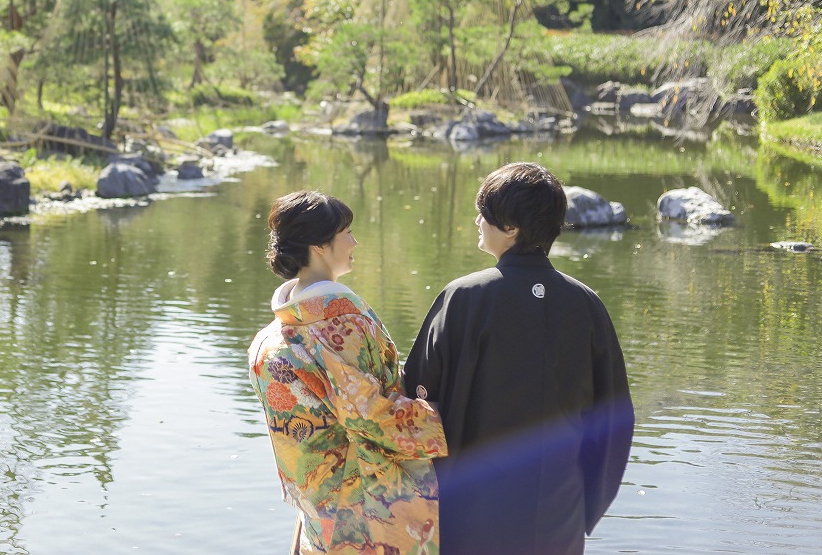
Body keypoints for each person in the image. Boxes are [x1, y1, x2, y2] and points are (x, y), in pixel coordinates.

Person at [403, 162, 635, 555]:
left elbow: (418, 398)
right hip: (559, 509)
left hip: (473, 508)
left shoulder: (464, 297)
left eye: (486, 213)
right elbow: (614, 417)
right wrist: (585, 505)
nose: (478, 220)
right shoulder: (586, 304)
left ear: (511, 228)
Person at [249, 190, 447, 555]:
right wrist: (441, 418)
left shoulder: (269, 339)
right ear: (320, 245)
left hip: (317, 505)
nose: (355, 241)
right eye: (347, 232)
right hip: (366, 509)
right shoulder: (341, 324)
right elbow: (367, 414)